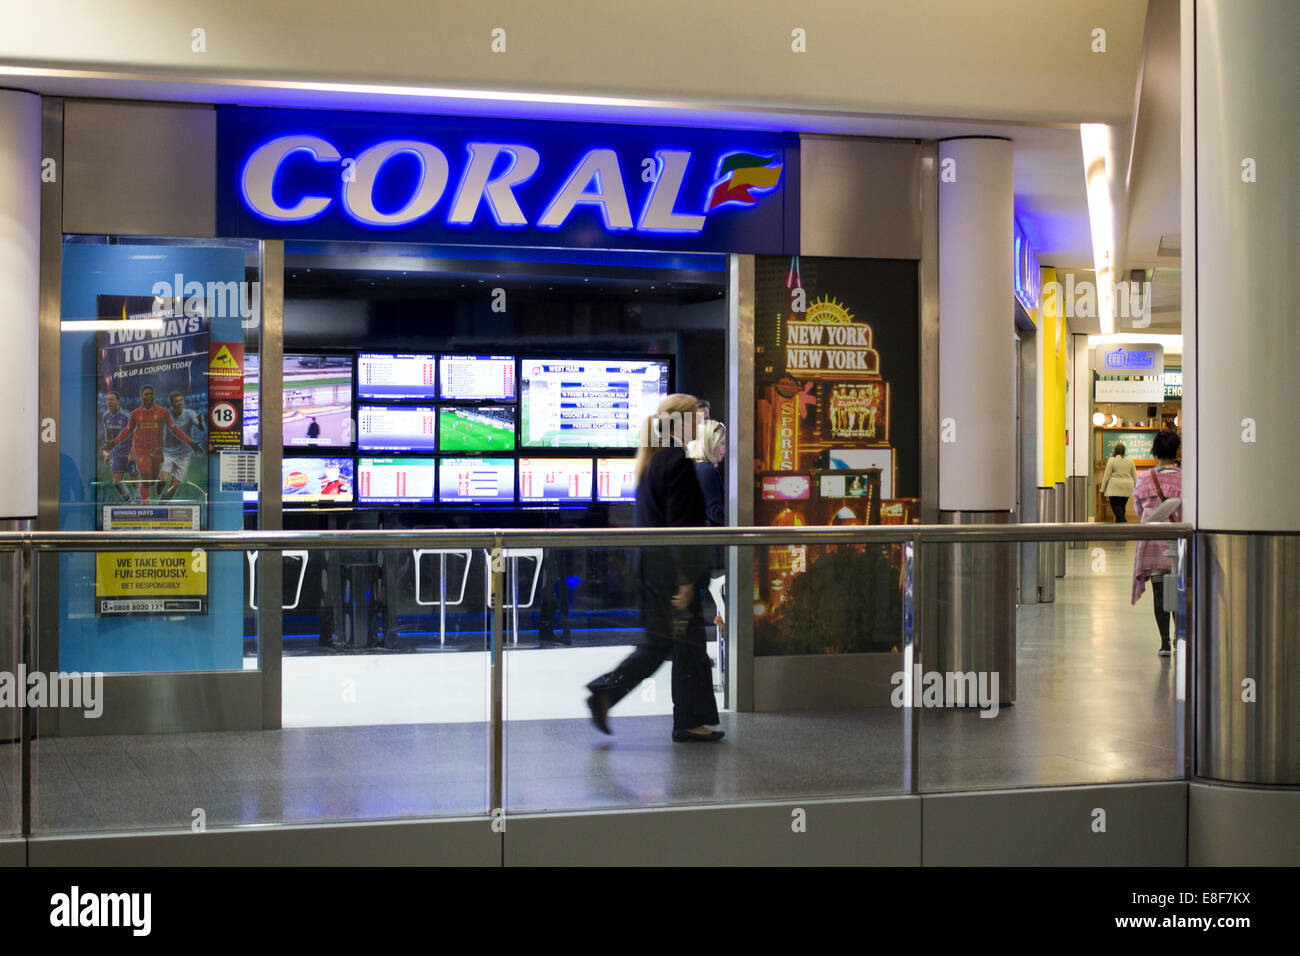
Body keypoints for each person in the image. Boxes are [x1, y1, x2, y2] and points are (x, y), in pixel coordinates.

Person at [586, 393, 723, 742]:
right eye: (695, 417)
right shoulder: (676, 461)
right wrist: (687, 580)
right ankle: (609, 693)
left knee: (675, 644)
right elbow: (680, 527)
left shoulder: (655, 459)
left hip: (653, 569)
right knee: (673, 644)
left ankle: (685, 720)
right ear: (680, 421)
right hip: (670, 573)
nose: (700, 424)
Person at [104, 385, 202, 504]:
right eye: (146, 394)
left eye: (151, 394)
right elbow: (127, 430)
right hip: (142, 451)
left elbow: (174, 429)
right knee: (145, 480)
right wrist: (113, 443)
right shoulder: (136, 413)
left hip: (157, 451)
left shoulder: (162, 412)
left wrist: (190, 443)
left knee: (153, 480)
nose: (149, 396)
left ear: (154, 396)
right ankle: (147, 508)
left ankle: (157, 486)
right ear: (142, 397)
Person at [1131, 430, 1182, 657]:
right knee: (1179, 592)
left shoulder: (1144, 478)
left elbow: (1138, 509)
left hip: (1152, 543)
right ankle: (1180, 639)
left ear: (1154, 451)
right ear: (1177, 450)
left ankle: (1164, 643)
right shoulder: (1185, 478)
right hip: (1178, 542)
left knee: (1159, 591)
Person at [158, 391, 205, 501]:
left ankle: (160, 506)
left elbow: (201, 428)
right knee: (164, 480)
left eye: (181, 400)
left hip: (184, 455)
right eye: (176, 401)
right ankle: (160, 485)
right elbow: (175, 431)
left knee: (174, 486)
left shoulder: (189, 413)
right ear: (172, 404)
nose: (180, 403)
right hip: (168, 452)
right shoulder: (167, 416)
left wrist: (201, 422)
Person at [687, 419, 726, 527]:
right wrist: (738, 519)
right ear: (710, 443)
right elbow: (714, 511)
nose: (724, 449)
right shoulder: (707, 471)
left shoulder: (696, 467)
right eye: (722, 443)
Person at [100, 391, 132, 502]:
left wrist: (133, 453)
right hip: (117, 453)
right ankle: (131, 504)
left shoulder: (126, 416)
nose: (109, 402)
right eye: (107, 400)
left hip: (130, 452)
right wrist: (107, 453)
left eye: (112, 399)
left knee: (135, 481)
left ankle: (142, 505)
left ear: (118, 401)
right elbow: (108, 434)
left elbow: (135, 435)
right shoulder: (106, 416)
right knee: (117, 482)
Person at [1100, 442, 1137, 522]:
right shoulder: (1130, 461)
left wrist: (1102, 489)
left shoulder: (1112, 460)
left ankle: (1124, 523)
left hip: (1114, 488)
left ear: (1115, 451)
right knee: (1122, 508)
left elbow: (1106, 475)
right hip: (1127, 488)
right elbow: (1134, 476)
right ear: (1124, 451)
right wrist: (1137, 488)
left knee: (1116, 507)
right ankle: (1120, 528)